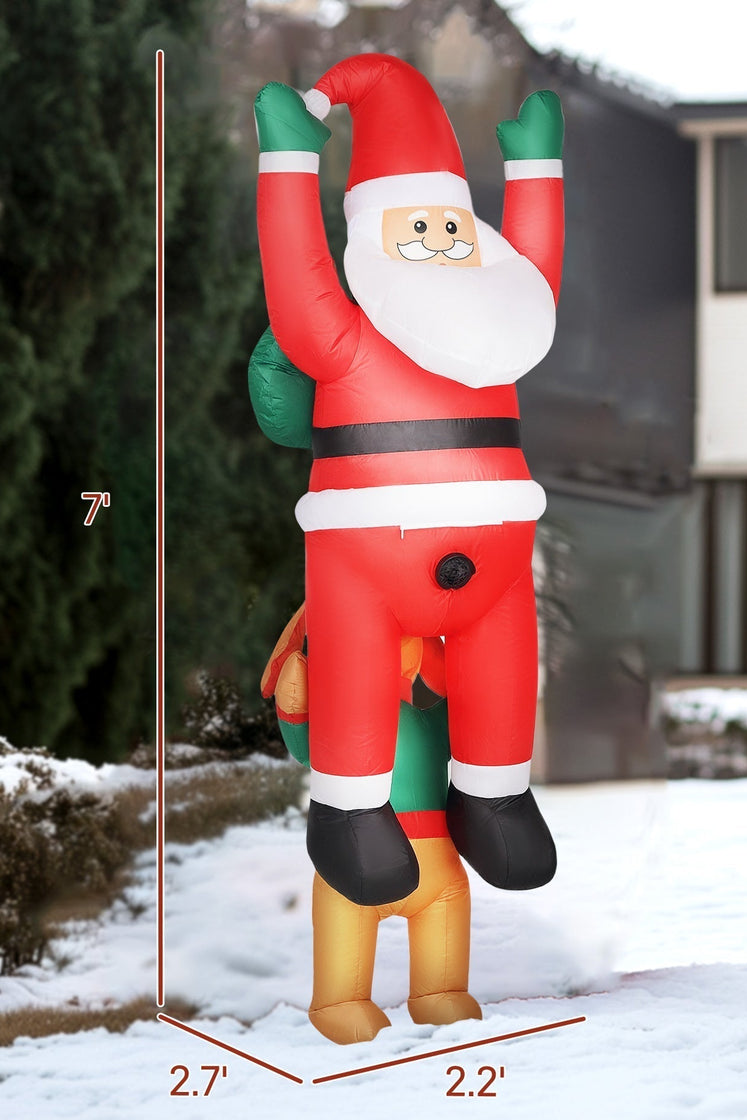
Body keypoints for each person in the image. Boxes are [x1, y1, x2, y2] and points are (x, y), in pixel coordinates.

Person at [253, 55, 564, 907]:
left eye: (451, 232)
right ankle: (349, 809)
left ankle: (494, 789)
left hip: (495, 562)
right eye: (413, 232)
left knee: (503, 659)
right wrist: (287, 162)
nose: (436, 244)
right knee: (352, 663)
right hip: (366, 560)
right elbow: (295, 280)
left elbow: (532, 274)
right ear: (371, 241)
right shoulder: (345, 337)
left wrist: (537, 168)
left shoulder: (501, 329)